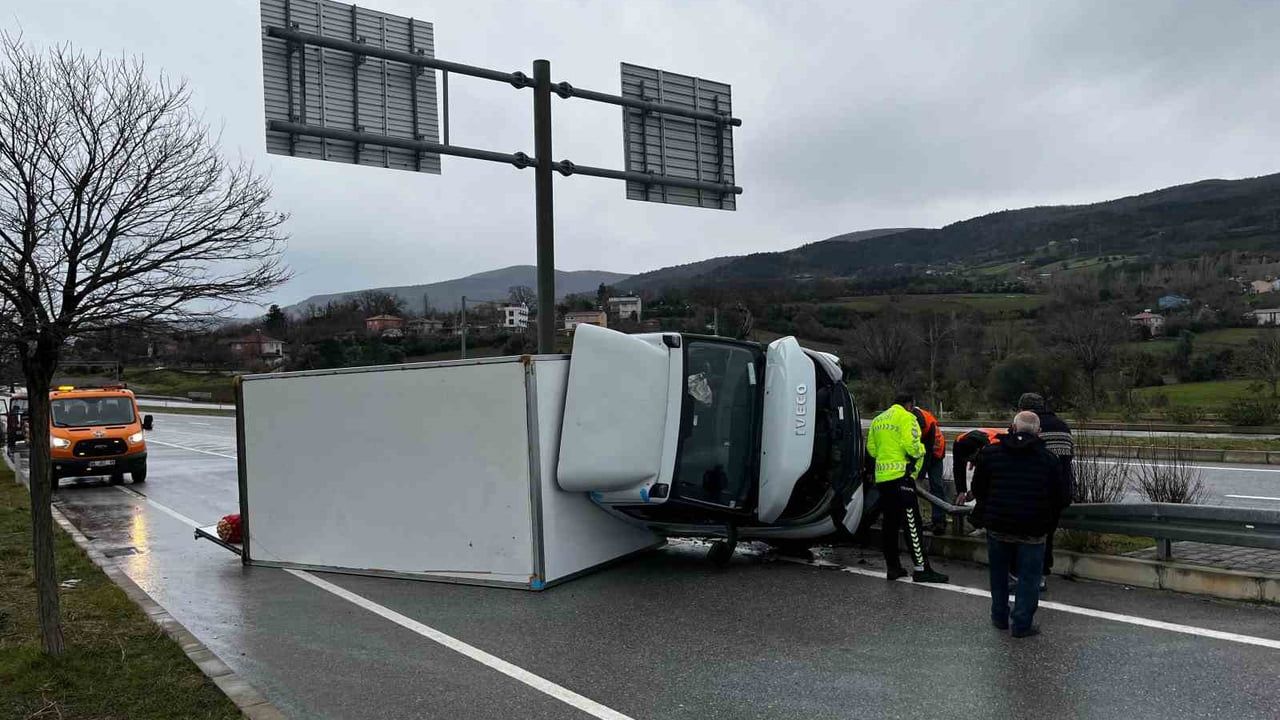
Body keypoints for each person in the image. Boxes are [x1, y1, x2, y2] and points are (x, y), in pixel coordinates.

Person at [972, 411, 1070, 638]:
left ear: (1012, 428)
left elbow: (979, 489)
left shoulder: (991, 454)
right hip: (1033, 528)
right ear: (1039, 432)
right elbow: (1061, 497)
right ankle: (1022, 623)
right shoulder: (1048, 459)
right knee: (1029, 578)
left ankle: (999, 617)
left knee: (998, 573)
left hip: (998, 526)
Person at [866, 392, 949, 583]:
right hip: (902, 477)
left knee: (890, 524)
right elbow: (912, 446)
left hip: (883, 478)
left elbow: (872, 449)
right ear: (910, 404)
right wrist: (920, 451)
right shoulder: (908, 417)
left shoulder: (878, 420)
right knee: (912, 524)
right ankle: (921, 568)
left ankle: (893, 568)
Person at [1017, 393, 1074, 590]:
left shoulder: (1027, 426)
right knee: (1047, 535)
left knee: (1026, 535)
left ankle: (1027, 574)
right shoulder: (1063, 426)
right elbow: (1068, 460)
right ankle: (1042, 574)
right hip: (1059, 493)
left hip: (1033, 491)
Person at [911, 406, 948, 534]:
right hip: (924, 452)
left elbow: (925, 454)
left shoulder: (926, 423)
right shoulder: (908, 418)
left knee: (936, 486)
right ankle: (917, 519)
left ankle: (939, 522)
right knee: (913, 486)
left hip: (935, 453)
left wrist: (919, 476)